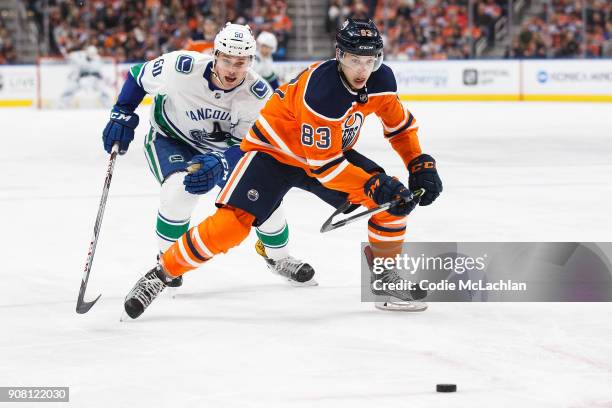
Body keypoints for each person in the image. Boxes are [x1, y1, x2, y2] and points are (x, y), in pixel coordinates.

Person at [123, 19, 443, 319]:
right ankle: (161, 273)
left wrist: (418, 162)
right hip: (272, 154)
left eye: (370, 60)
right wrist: (374, 185)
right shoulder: (323, 92)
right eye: (354, 60)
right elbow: (325, 167)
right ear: (339, 56)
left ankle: (385, 279)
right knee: (231, 226)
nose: (363, 69)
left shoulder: (382, 80)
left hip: (326, 155)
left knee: (392, 203)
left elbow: (399, 126)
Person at [102, 23, 315, 289]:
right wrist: (122, 111)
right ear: (215, 54)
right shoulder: (181, 66)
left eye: (241, 62)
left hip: (223, 150)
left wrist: (222, 161)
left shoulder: (257, 95)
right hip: (171, 138)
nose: (232, 69)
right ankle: (168, 262)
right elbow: (138, 76)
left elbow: (253, 147)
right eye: (226, 60)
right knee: (179, 191)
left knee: (264, 197)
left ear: (251, 61)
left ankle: (278, 258)